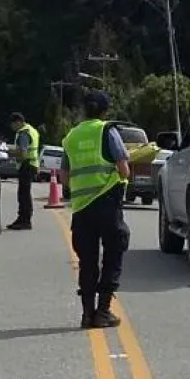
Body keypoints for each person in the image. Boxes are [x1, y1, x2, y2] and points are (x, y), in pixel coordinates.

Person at [61, 91, 131, 329]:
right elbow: (123, 169)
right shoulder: (107, 131)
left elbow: (64, 176)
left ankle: (87, 314)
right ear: (104, 110)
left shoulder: (71, 136)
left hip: (81, 208)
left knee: (87, 261)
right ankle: (103, 312)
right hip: (107, 202)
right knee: (114, 253)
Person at [7, 112, 40, 230]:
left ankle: (25, 220)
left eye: (13, 124)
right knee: (24, 193)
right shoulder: (32, 130)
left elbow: (23, 153)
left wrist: (9, 152)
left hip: (26, 165)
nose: (12, 127)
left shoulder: (23, 134)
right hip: (31, 164)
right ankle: (22, 219)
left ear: (18, 122)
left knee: (23, 195)